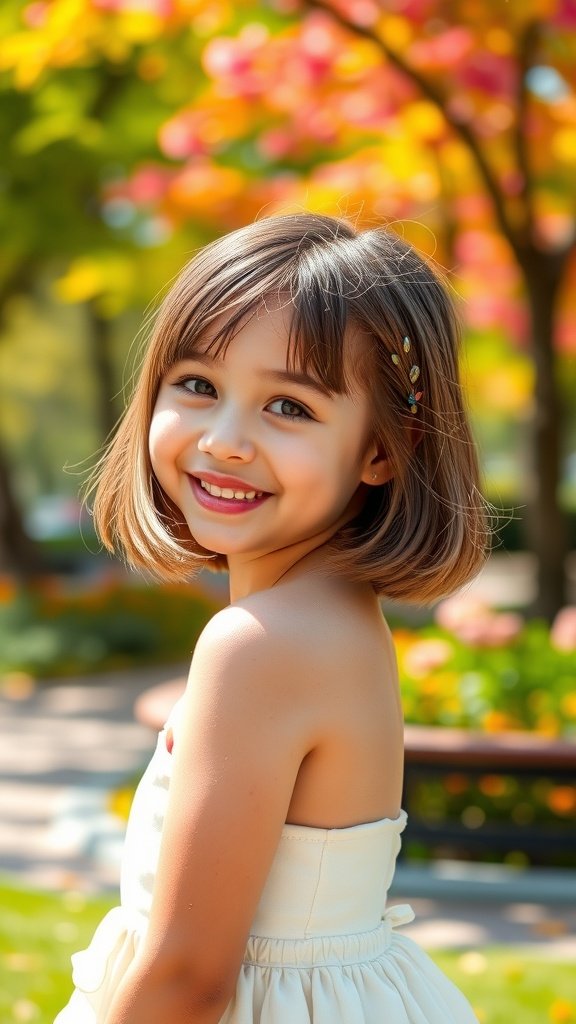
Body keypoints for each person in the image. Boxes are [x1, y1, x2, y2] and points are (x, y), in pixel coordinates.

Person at [55, 213, 487, 1024]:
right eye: (198, 386)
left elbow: (188, 976)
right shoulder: (335, 616)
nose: (225, 440)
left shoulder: (260, 645)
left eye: (288, 407)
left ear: (383, 450)